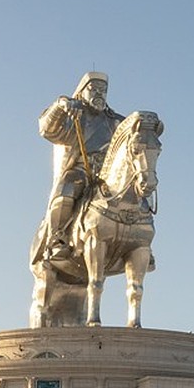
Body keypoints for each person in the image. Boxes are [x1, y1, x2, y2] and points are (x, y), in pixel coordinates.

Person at [34, 71, 125, 263]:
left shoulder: (115, 121)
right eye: (94, 89)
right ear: (82, 91)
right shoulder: (74, 115)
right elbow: (47, 129)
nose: (99, 93)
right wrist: (61, 106)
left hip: (109, 175)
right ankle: (57, 238)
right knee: (66, 190)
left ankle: (138, 242)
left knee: (139, 187)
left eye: (104, 90)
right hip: (82, 170)